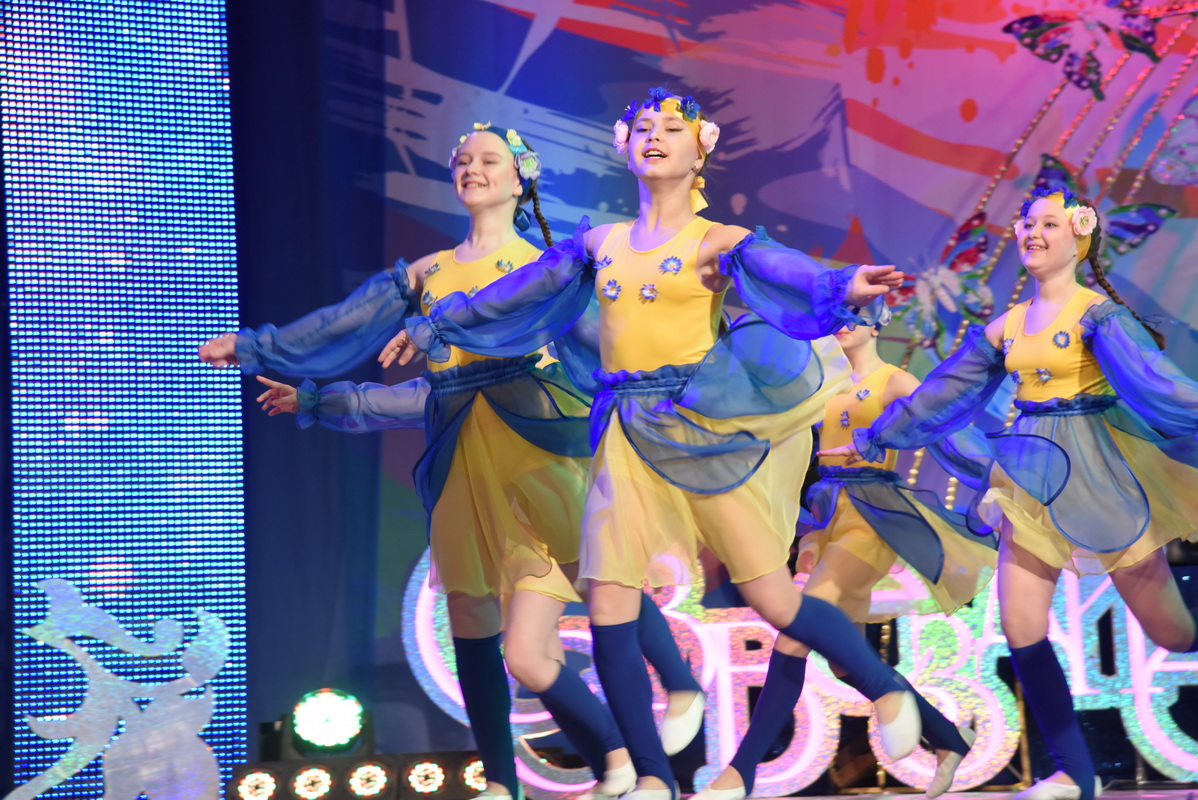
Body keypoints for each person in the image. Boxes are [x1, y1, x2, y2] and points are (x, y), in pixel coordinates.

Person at [394, 88, 922, 800]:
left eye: (672, 128)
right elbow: (516, 293)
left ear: (699, 151)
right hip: (623, 430)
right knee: (608, 601)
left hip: (699, 429)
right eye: (642, 126)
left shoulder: (715, 241)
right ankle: (650, 776)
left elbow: (782, 269)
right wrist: (439, 322)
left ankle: (887, 687)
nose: (654, 135)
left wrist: (841, 282)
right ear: (624, 147)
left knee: (771, 595)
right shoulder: (600, 244)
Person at [200, 123, 703, 800]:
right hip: (464, 462)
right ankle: (503, 780)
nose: (472, 168)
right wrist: (280, 364)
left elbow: (611, 347)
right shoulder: (427, 273)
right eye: (462, 159)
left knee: (599, 577)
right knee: (474, 620)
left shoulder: (542, 265)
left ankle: (676, 694)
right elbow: (352, 329)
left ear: (520, 178)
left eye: (488, 159)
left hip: (536, 443)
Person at [820, 187, 1198, 800]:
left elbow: (1159, 383)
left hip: (1100, 478)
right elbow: (945, 392)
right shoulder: (1008, 325)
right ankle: (1075, 773)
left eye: (1048, 223)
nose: (1032, 233)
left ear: (1079, 237)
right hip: (1030, 480)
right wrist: (877, 435)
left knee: (1173, 633)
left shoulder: (1097, 315)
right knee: (1021, 625)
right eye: (1026, 223)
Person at [696, 309, 999, 800]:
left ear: (877, 326)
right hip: (827, 517)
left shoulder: (894, 380)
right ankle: (947, 738)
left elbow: (946, 427)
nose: (844, 322)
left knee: (795, 635)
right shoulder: (821, 382)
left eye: (856, 316)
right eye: (837, 313)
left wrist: (996, 476)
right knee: (844, 661)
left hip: (873, 518)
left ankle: (741, 772)